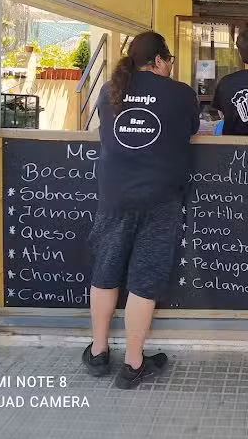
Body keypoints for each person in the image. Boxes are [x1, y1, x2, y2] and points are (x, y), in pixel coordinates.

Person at [83, 31, 199, 390]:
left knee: (105, 272)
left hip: (114, 195)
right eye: (170, 61)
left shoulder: (108, 90)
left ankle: (99, 352)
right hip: (160, 199)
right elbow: (191, 130)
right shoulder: (180, 94)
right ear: (161, 60)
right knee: (144, 281)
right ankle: (133, 364)